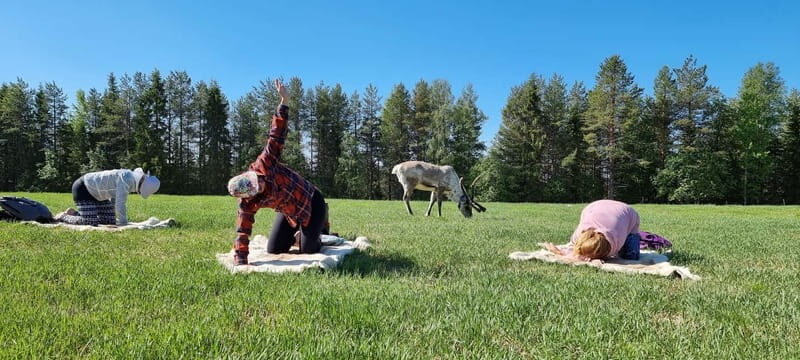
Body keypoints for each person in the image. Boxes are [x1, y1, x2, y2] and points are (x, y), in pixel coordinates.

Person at [227, 79, 328, 265]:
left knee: (308, 250)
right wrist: (240, 260)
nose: (262, 183)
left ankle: (321, 227)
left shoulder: (265, 163)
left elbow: (276, 135)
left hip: (312, 202)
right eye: (258, 187)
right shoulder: (247, 203)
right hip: (290, 212)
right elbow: (242, 230)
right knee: (274, 249)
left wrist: (284, 101)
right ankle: (300, 233)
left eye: (258, 180)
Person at [54, 168, 160, 226]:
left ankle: (75, 213)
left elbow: (114, 197)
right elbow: (120, 203)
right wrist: (124, 223)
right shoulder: (127, 178)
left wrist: (112, 214)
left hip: (99, 195)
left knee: (109, 220)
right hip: (84, 189)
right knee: (90, 222)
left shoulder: (129, 178)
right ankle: (63, 216)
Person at [544, 199, 641, 261]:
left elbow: (610, 256)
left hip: (627, 212)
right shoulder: (578, 234)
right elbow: (573, 247)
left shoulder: (618, 239)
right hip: (593, 207)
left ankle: (638, 236)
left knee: (631, 256)